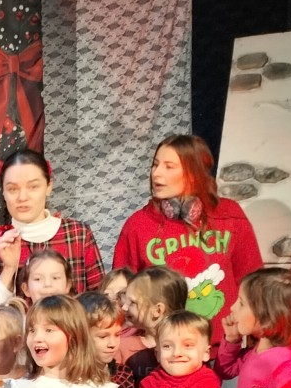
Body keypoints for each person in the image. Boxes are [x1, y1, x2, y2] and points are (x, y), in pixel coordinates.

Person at [112, 134, 264, 331]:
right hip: (164, 344)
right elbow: (121, 292)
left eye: (169, 167)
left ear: (193, 173)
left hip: (225, 342)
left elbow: (253, 283)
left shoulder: (229, 216)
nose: (156, 174)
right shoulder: (138, 225)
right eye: (155, 165)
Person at [0, 150, 105, 304]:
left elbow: (102, 304)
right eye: (12, 189)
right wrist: (9, 269)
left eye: (33, 187)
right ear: (3, 192)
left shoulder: (78, 234)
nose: (22, 197)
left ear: (48, 186)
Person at [119, 265, 187, 369]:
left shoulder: (187, 350)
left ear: (157, 310)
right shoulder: (123, 347)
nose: (124, 307)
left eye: (132, 302)